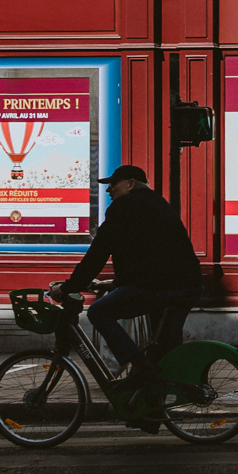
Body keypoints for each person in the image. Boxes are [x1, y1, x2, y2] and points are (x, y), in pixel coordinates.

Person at [55, 165, 203, 388]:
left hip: (159, 287)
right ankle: (154, 411)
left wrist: (69, 287)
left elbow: (99, 251)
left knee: (99, 312)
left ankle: (137, 363)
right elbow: (153, 253)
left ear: (131, 184)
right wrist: (116, 283)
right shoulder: (159, 204)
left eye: (113, 184)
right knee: (162, 350)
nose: (109, 190)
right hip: (188, 285)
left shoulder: (124, 205)